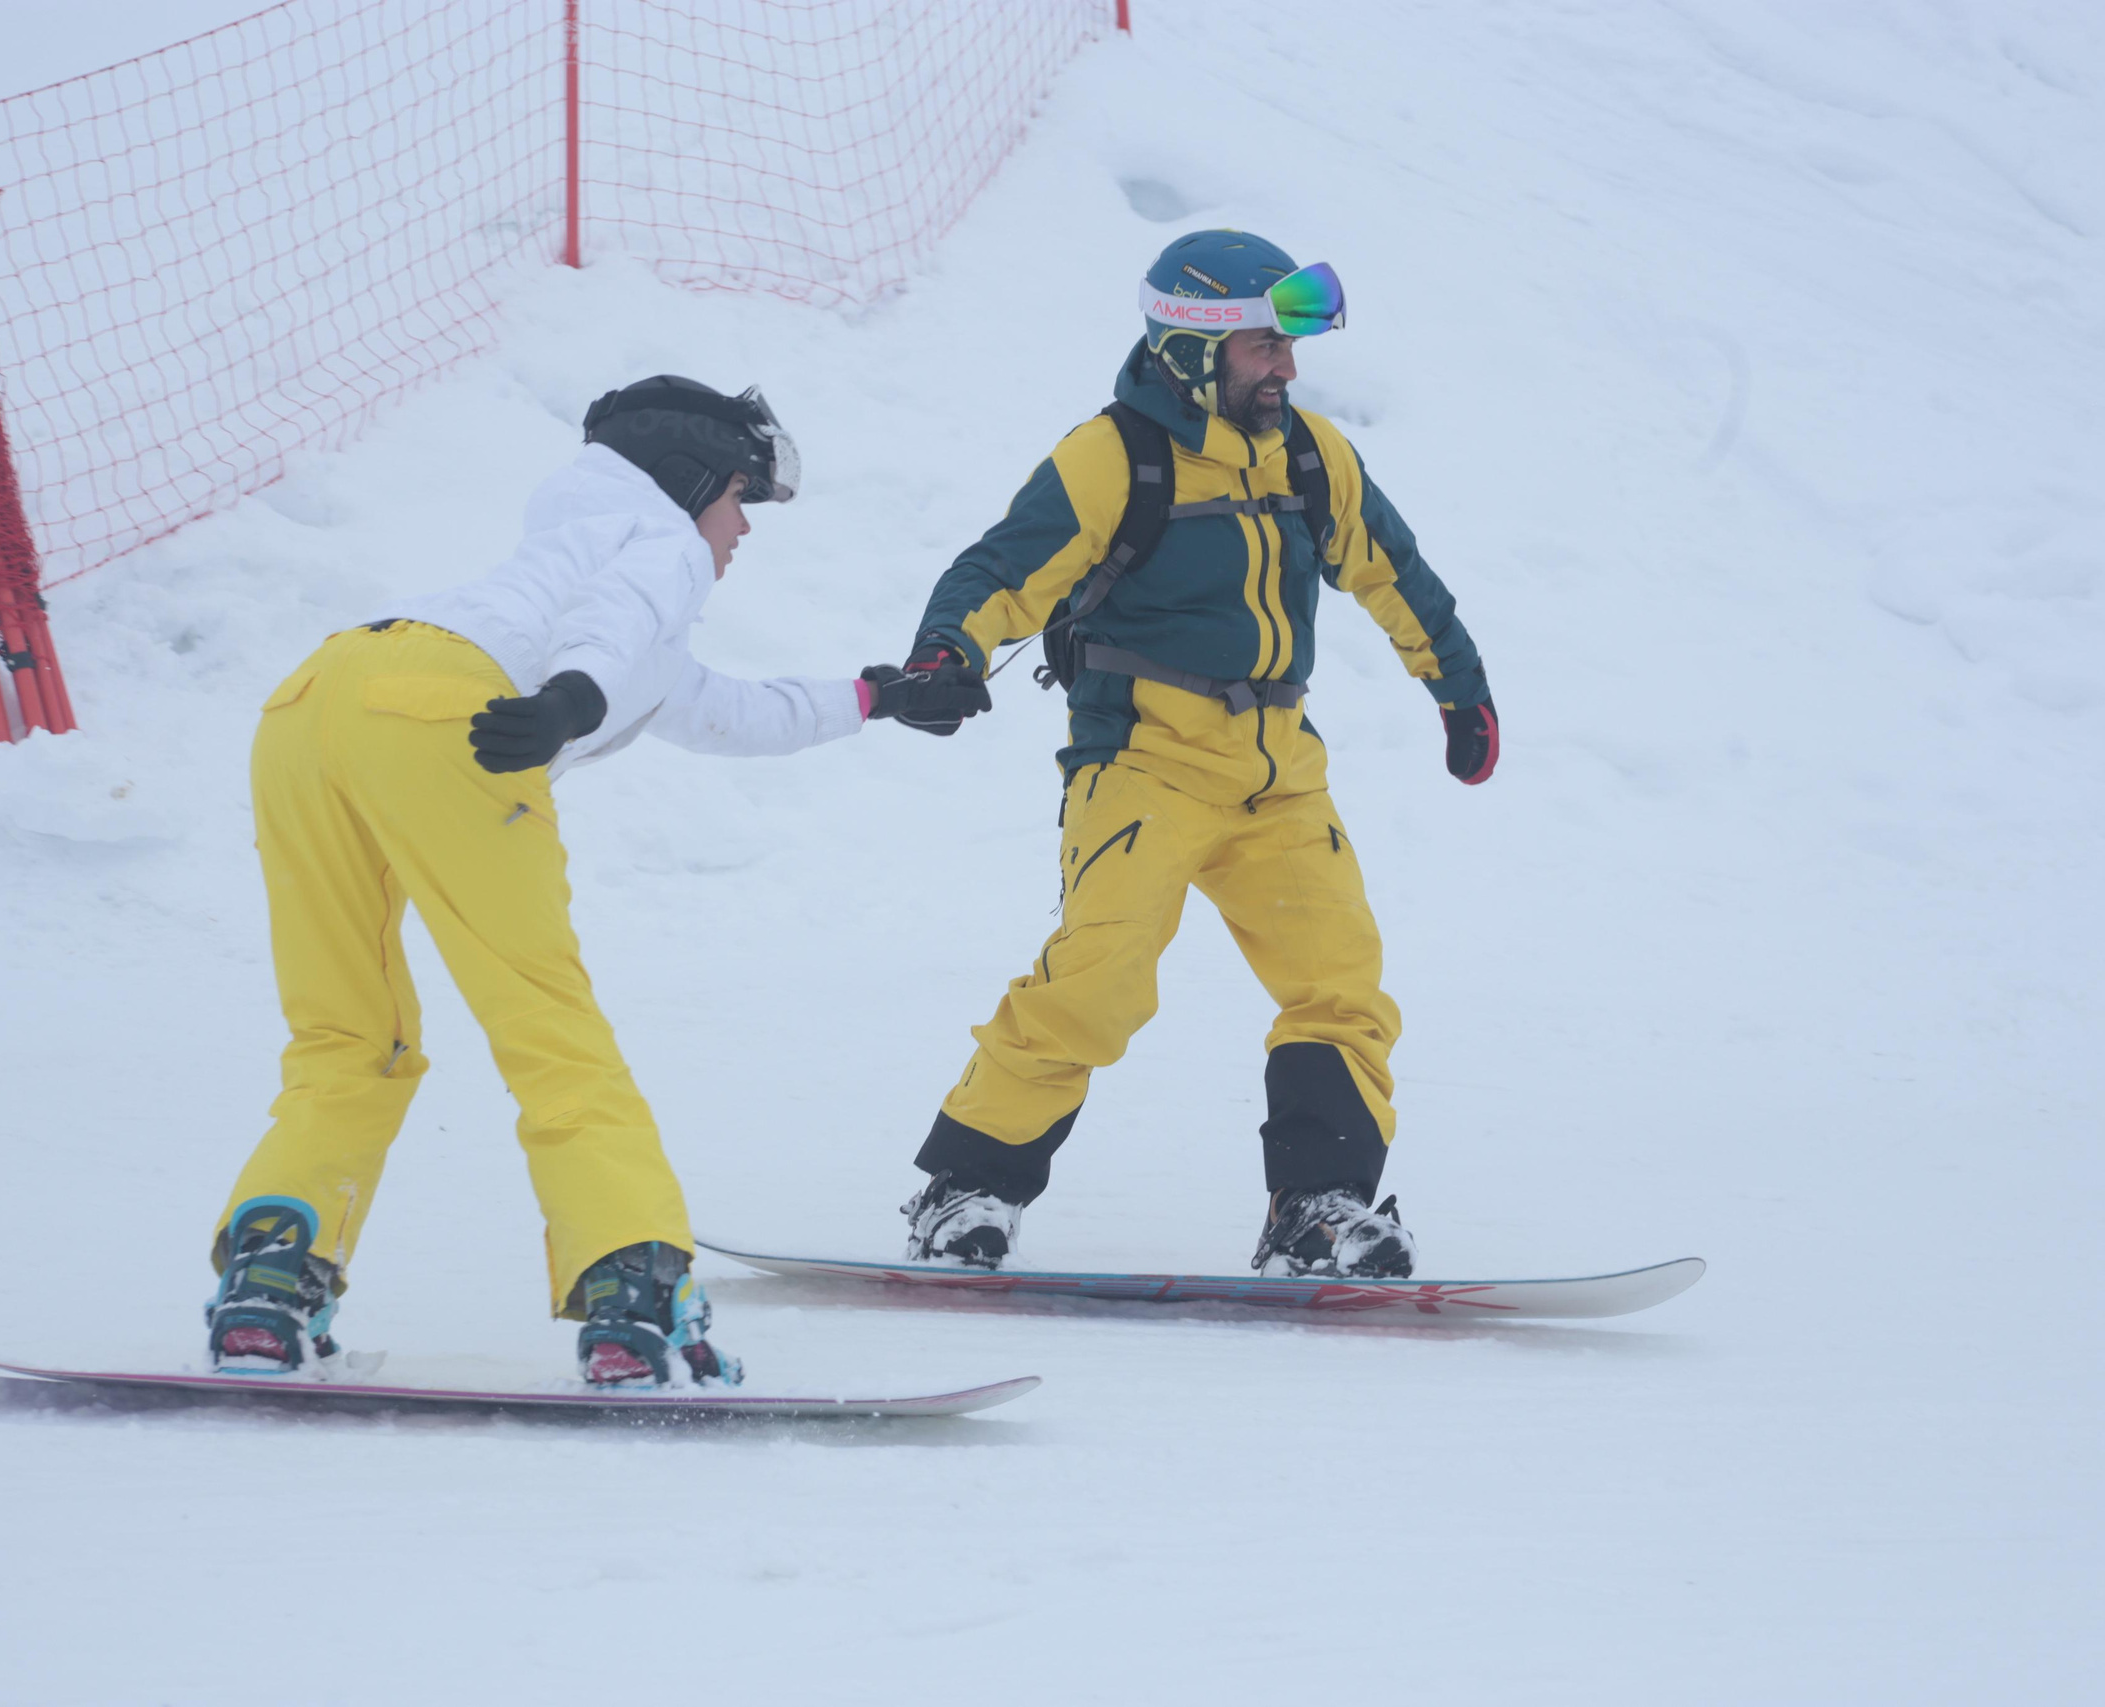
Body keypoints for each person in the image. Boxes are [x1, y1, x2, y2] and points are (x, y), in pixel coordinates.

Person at [204, 375, 985, 1385]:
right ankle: (635, 1296)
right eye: (740, 497)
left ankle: (268, 1285)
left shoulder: (567, 560)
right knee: (549, 1029)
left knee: (347, 1035)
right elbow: (613, 632)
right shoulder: (654, 544)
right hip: (451, 712)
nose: (743, 528)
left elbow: (727, 708)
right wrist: (571, 701)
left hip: (310, 703)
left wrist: (877, 696)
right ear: (690, 480)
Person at [879, 230, 1497, 1279]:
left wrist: (1460, 690)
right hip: (1144, 759)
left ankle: (1319, 1208)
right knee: (1099, 978)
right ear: (1196, 349)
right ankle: (965, 1190)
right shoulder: (1113, 455)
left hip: (1278, 769)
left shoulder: (1312, 455)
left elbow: (1396, 573)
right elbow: (1006, 567)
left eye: (1288, 347)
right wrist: (947, 654)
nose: (1287, 369)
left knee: (1338, 985)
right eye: (1265, 347)